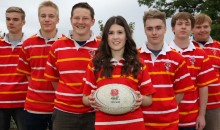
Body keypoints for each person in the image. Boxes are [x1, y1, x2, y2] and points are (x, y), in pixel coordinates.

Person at [82, 15, 155, 130]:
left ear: (126, 36)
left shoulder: (138, 64)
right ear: (106, 37)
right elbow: (85, 99)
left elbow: (148, 100)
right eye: (111, 33)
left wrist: (140, 99)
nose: (115, 37)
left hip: (134, 126)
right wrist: (90, 100)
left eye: (120, 32)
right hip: (104, 126)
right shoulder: (95, 64)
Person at [44, 2, 100, 130]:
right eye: (76, 18)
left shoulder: (103, 47)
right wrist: (68, 97)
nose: (80, 22)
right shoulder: (57, 46)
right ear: (70, 20)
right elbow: (53, 78)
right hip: (63, 114)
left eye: (85, 18)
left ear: (92, 21)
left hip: (94, 113)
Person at [138, 9, 195, 130]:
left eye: (158, 28)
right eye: (149, 28)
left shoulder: (177, 58)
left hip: (169, 124)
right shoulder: (134, 58)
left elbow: (180, 91)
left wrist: (167, 105)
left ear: (165, 29)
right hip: (140, 123)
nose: (154, 32)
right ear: (144, 30)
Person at [16, 1, 61, 130]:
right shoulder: (28, 44)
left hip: (59, 107)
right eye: (43, 16)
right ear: (38, 18)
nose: (47, 19)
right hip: (33, 108)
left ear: (58, 19)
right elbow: (27, 74)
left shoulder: (65, 44)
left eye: (51, 16)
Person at [169, 12, 218, 130]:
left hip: (195, 114)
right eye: (179, 24)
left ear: (191, 29)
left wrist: (201, 115)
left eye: (187, 24)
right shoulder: (165, 52)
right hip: (169, 114)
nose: (183, 27)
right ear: (172, 29)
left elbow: (203, 86)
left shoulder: (201, 54)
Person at [0, 6, 27, 130]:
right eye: (8, 19)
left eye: (15, 19)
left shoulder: (30, 45)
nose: (11, 22)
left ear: (23, 21)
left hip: (23, 102)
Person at [192, 13, 220, 130]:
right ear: (192, 29)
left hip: (215, 104)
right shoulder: (186, 48)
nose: (202, 30)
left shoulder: (218, 47)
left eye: (205, 26)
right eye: (198, 27)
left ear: (210, 27)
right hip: (191, 105)